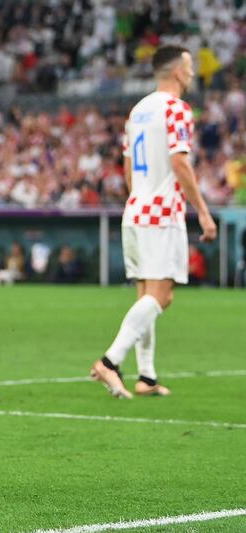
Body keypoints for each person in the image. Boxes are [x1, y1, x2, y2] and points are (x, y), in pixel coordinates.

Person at [90, 45, 217, 399]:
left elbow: (129, 169)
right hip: (162, 213)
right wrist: (204, 213)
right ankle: (110, 362)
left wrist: (139, 199)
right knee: (162, 296)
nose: (192, 74)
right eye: (190, 67)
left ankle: (146, 376)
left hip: (136, 209)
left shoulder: (138, 110)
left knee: (146, 294)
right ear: (177, 72)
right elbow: (180, 164)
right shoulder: (177, 109)